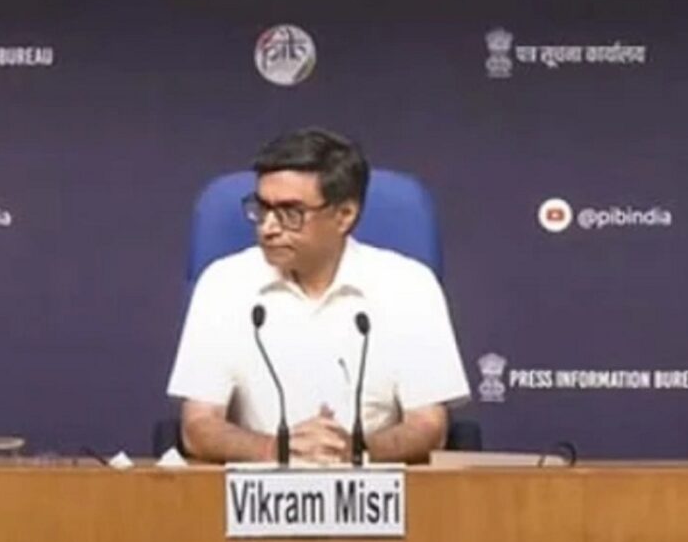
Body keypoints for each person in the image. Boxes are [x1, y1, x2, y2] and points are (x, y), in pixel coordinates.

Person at [167, 128, 469, 464]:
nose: (267, 227)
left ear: (344, 216)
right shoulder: (223, 283)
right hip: (256, 487)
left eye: (290, 213)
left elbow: (428, 426)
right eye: (262, 209)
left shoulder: (410, 285)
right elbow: (198, 426)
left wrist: (354, 451)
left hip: (372, 486)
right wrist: (276, 449)